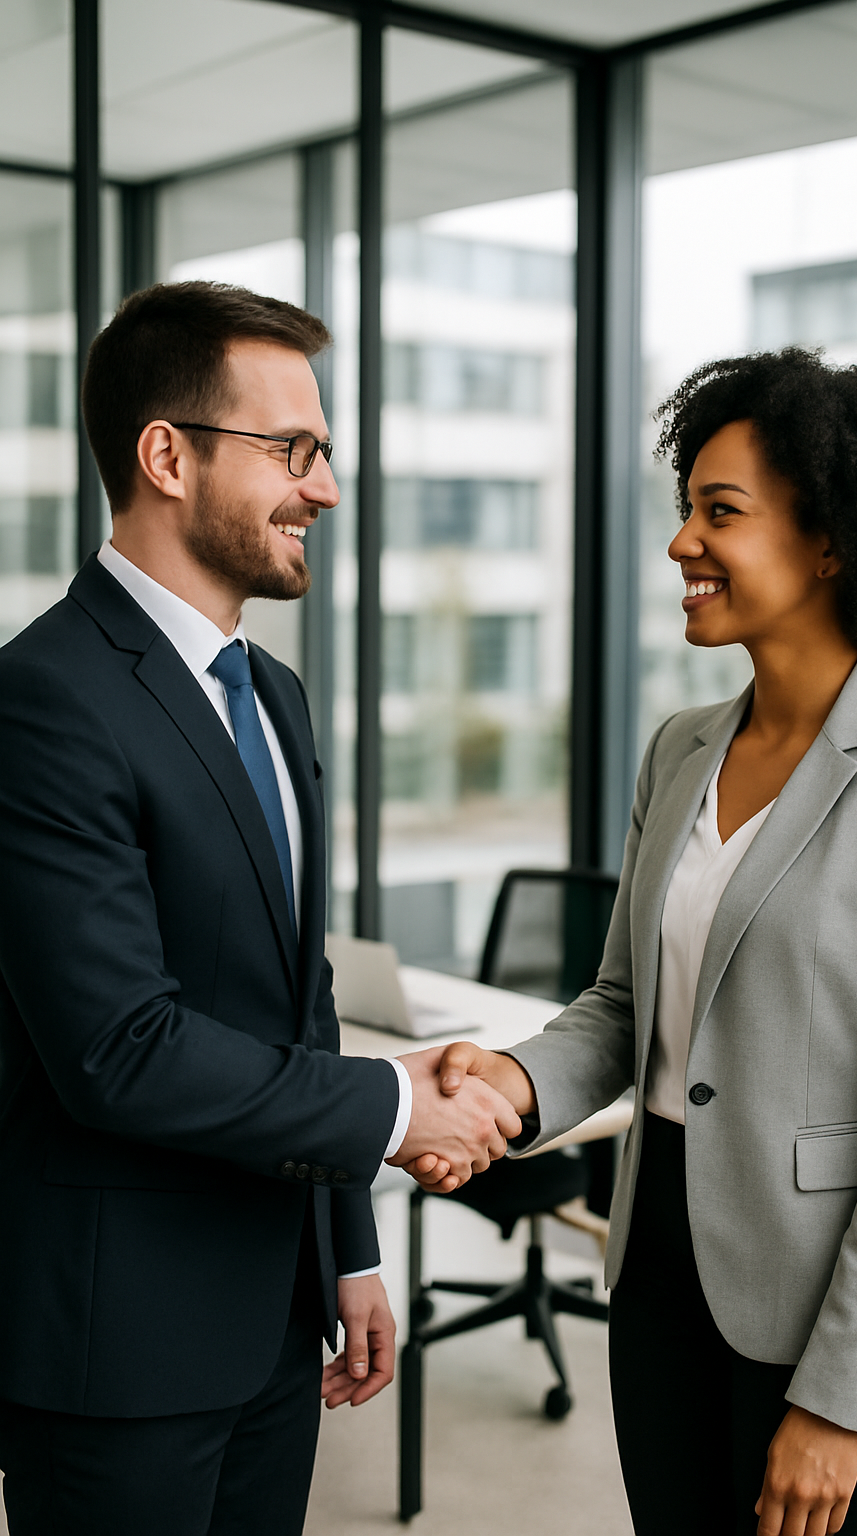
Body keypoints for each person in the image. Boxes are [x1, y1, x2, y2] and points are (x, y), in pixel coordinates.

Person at [412, 349, 857, 1535]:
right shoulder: (681, 748)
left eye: (719, 512)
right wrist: (510, 1084)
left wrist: (840, 1401)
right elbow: (622, 1008)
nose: (683, 543)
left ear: (833, 541)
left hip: (842, 1312)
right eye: (684, 509)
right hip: (662, 1278)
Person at [0, 281, 520, 1536]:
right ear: (166, 456)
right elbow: (122, 1050)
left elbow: (300, 997)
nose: (324, 489)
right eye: (292, 450)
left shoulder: (271, 696)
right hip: (115, 1354)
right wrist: (401, 1105)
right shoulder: (43, 702)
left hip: (276, 1320)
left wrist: (347, 1247)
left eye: (324, 453)